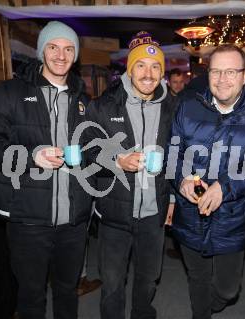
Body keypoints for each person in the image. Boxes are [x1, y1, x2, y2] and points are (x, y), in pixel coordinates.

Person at [0, 21, 93, 319]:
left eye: (68, 49)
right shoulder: (10, 92)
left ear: (75, 55)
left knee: (67, 291)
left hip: (73, 221)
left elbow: (93, 149)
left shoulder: (83, 99)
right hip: (28, 220)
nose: (61, 55)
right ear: (42, 51)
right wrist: (30, 156)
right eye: (53, 47)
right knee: (31, 297)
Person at [168, 44, 245, 319]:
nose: (222, 79)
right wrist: (181, 179)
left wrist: (226, 186)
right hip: (190, 214)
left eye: (231, 71)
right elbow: (173, 155)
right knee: (197, 280)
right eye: (216, 71)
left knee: (227, 290)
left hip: (232, 217)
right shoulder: (187, 107)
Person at [87, 31, 177, 319]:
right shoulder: (103, 105)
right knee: (112, 284)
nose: (148, 74)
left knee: (148, 279)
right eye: (141, 65)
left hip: (154, 212)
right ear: (129, 68)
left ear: (162, 72)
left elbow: (178, 154)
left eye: (155, 67)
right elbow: (86, 149)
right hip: (114, 213)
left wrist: (173, 198)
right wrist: (116, 160)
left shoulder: (172, 109)